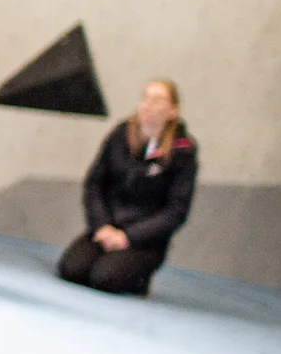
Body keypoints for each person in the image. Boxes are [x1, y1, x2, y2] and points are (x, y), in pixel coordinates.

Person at [58, 80, 197, 296]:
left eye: (158, 99)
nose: (148, 104)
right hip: (108, 230)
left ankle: (139, 278)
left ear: (173, 111)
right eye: (145, 97)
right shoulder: (120, 135)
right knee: (72, 270)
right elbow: (94, 184)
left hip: (144, 241)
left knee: (104, 278)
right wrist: (102, 226)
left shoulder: (183, 152)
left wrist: (129, 236)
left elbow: (176, 211)